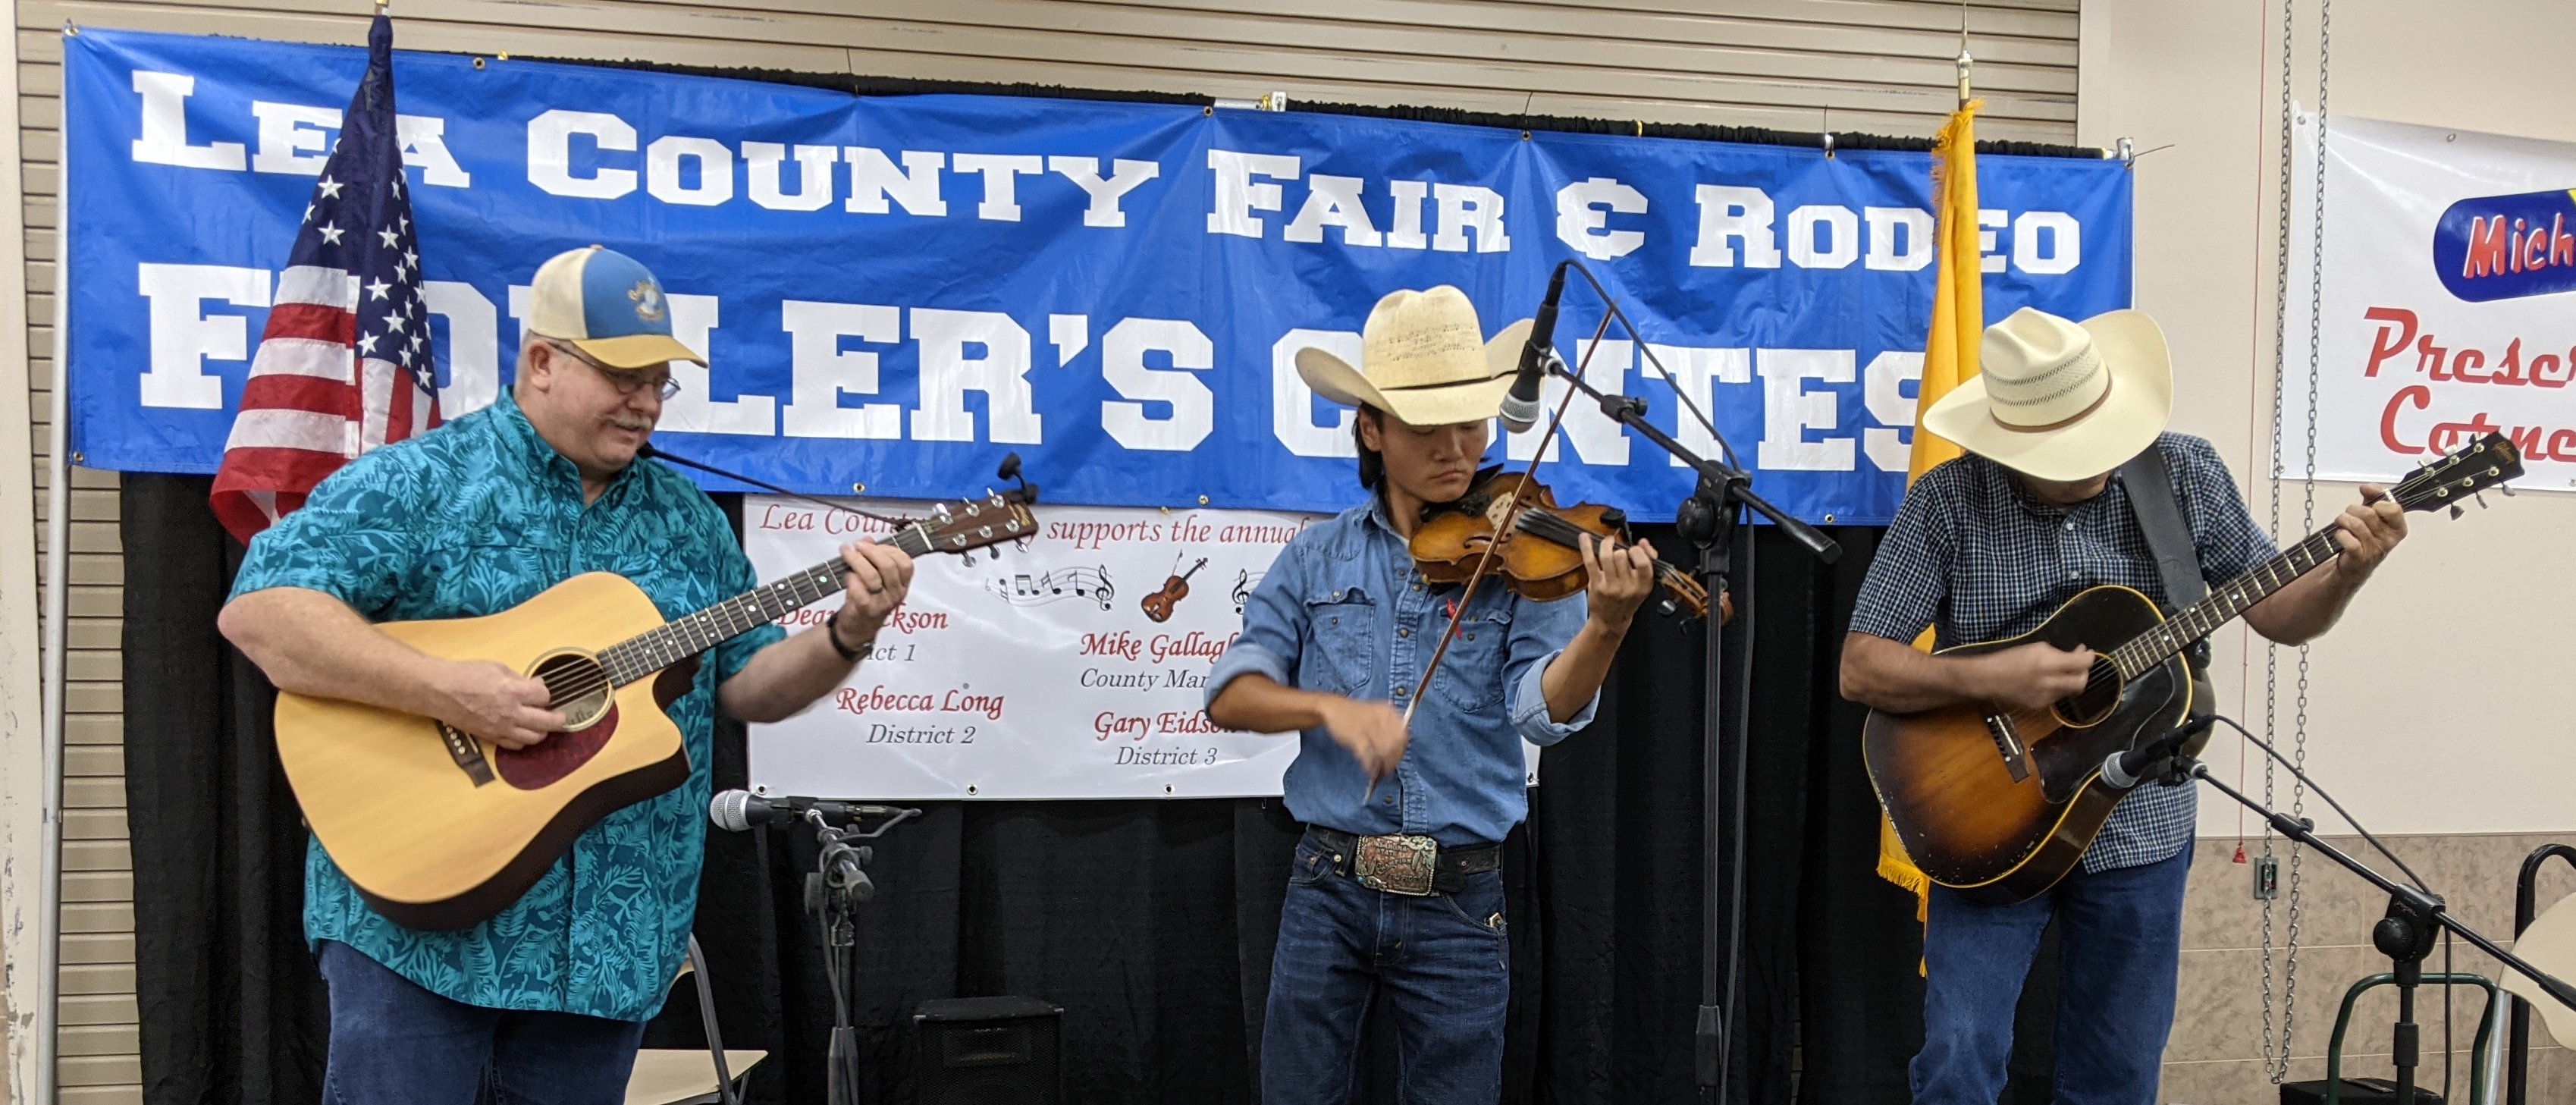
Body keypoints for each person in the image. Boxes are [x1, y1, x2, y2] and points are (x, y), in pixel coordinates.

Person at [218, 246, 912, 1104]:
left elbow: (748, 683)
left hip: (609, 944)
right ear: (542, 361)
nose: (647, 401)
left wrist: (849, 630)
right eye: (624, 375)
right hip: (418, 928)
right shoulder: (424, 480)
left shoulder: (687, 523)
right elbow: (264, 613)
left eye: (661, 379)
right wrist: (449, 690)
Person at [1837, 307, 2409, 1104]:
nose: (2100, 460)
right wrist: (1997, 678)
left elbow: (2280, 615)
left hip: (2141, 821)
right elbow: (1861, 667)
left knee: (2118, 1073)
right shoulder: (1949, 500)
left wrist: (2348, 572)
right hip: (1984, 815)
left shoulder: (2182, 473)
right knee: (1959, 1060)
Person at [1204, 286, 1658, 1103]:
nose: (1456, 448)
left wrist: (1607, 627)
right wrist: (1328, 708)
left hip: (1460, 895)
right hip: (1329, 886)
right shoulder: (1316, 557)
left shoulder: (1522, 548)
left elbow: (1539, 711)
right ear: (1372, 430)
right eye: (1425, 428)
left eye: (1471, 425)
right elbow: (1231, 692)